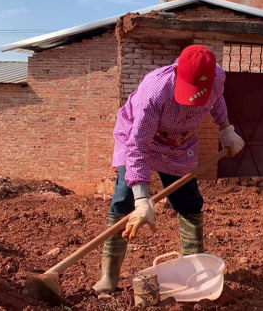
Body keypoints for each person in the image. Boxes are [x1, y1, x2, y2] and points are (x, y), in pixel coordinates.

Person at [93, 44, 245, 293]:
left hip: (178, 144)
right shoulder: (155, 92)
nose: (195, 101)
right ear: (177, 72)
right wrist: (142, 199)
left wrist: (226, 130)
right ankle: (109, 275)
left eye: (201, 92)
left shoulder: (217, 78)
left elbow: (217, 102)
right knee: (123, 201)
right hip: (140, 140)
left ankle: (194, 270)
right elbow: (137, 147)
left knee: (189, 202)